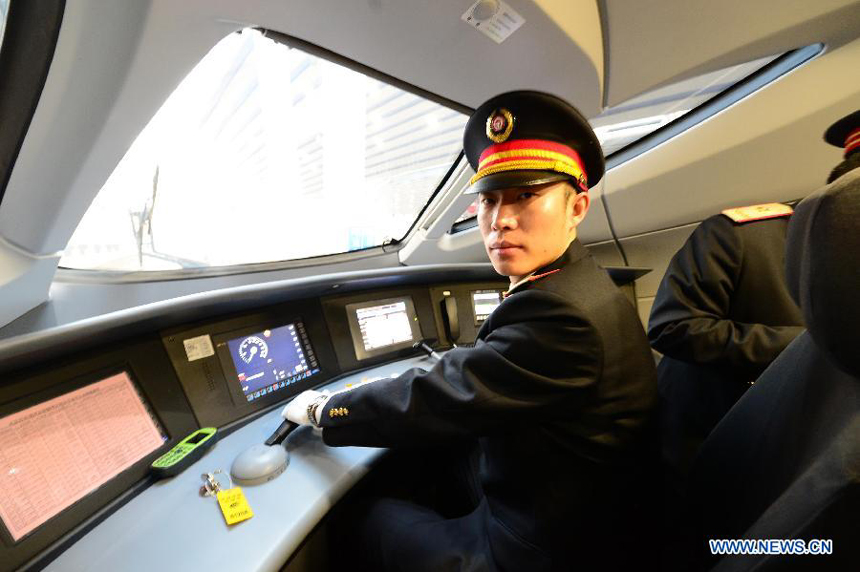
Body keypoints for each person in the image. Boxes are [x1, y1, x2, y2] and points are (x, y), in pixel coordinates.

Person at [284, 91, 659, 571]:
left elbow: (433, 398)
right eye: (489, 199)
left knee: (364, 514)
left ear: (577, 207)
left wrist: (322, 409)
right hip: (577, 503)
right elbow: (477, 381)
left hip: (544, 549)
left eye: (526, 195)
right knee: (435, 459)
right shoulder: (582, 283)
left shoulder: (561, 314)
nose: (500, 219)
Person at [647, 199, 806, 481]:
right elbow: (671, 326)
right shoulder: (738, 235)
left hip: (798, 445)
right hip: (714, 442)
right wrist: (803, 345)